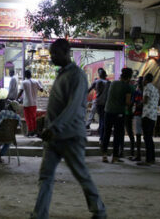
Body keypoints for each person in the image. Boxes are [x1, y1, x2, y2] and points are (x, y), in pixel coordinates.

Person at [30, 39, 106, 219]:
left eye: (55, 53)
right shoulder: (62, 74)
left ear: (66, 53)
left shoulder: (77, 75)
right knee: (45, 176)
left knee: (81, 175)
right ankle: (39, 214)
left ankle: (99, 210)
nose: (52, 57)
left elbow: (72, 108)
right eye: (51, 53)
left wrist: (54, 126)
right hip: (54, 137)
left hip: (70, 135)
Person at [102, 68, 133, 163]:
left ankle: (104, 155)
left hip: (108, 111)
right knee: (117, 134)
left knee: (106, 133)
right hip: (118, 113)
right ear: (129, 77)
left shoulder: (113, 83)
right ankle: (115, 157)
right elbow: (127, 102)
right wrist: (131, 103)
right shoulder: (127, 87)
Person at [137, 73, 160, 166]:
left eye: (144, 79)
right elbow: (158, 102)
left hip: (147, 115)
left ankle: (148, 160)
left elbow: (145, 100)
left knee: (147, 138)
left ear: (146, 80)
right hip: (153, 115)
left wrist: (139, 103)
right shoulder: (156, 89)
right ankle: (152, 158)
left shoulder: (147, 87)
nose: (143, 81)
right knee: (149, 137)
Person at [17, 70, 44, 137]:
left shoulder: (24, 82)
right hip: (34, 103)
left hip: (27, 103)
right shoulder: (36, 82)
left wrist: (16, 99)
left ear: (25, 75)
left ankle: (30, 131)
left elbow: (20, 92)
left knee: (28, 118)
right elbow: (41, 90)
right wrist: (40, 83)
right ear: (31, 74)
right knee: (33, 117)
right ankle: (34, 131)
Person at [122, 79, 136, 158]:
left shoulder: (126, 87)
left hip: (124, 112)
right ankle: (132, 152)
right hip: (129, 112)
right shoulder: (133, 88)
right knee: (130, 132)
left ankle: (120, 152)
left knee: (121, 132)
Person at [132, 77, 144, 161]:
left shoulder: (136, 92)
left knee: (139, 135)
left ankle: (138, 155)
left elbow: (133, 103)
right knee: (143, 136)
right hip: (145, 115)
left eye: (138, 82)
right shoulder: (144, 91)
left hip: (138, 114)